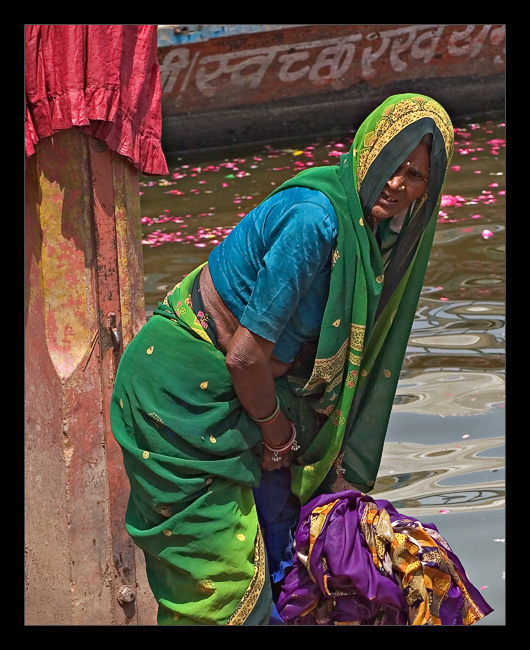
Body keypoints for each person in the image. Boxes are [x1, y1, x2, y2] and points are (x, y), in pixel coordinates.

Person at [110, 93, 492, 625]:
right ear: (367, 150)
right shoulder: (316, 220)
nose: (398, 184)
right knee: (222, 593)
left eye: (416, 176)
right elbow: (245, 356)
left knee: (290, 561)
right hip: (183, 397)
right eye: (393, 163)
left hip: (253, 398)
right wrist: (276, 434)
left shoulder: (373, 235)